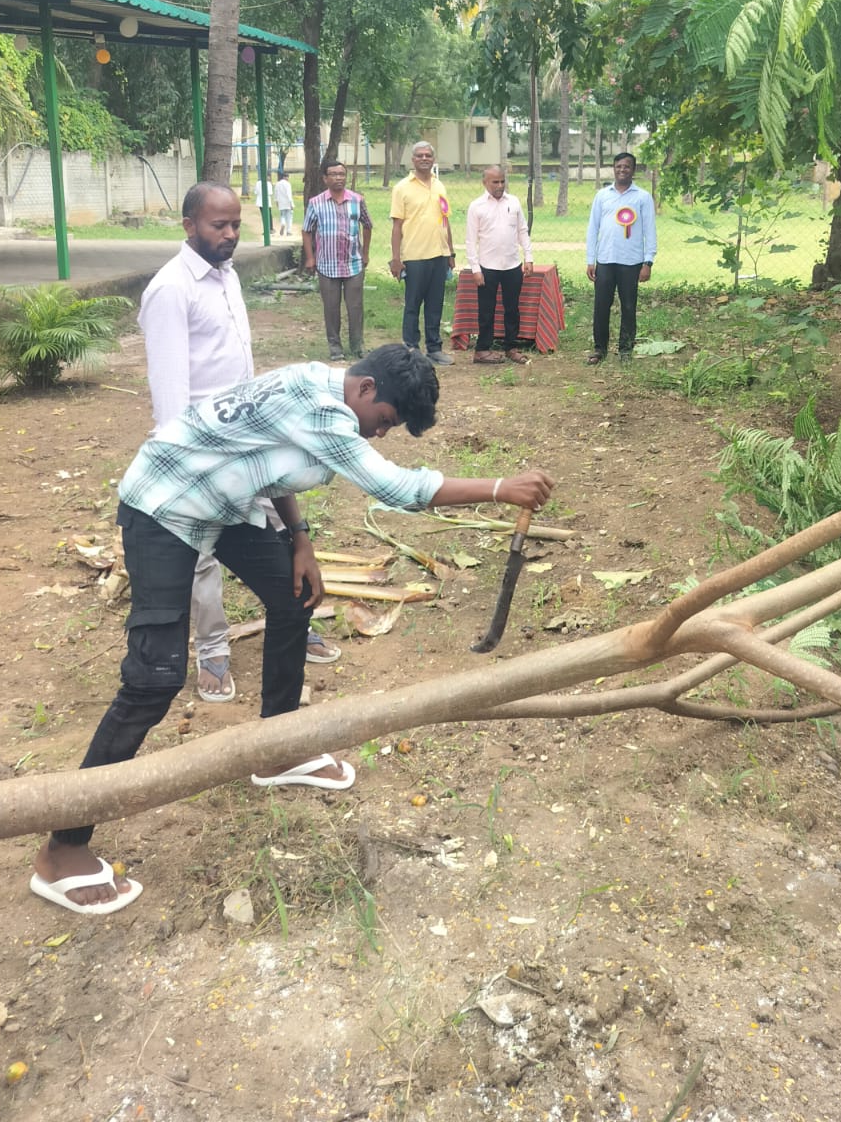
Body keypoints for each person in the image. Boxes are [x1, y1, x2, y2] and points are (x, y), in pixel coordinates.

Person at [28, 344, 555, 915]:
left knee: (294, 594)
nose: (379, 436)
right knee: (155, 677)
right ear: (367, 390)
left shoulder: (315, 381)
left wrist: (298, 540)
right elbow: (398, 489)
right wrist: (502, 487)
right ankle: (62, 849)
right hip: (166, 503)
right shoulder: (326, 411)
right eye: (383, 424)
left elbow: (273, 459)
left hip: (221, 501)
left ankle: (276, 750)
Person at [140, 183, 339, 703]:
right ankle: (212, 650)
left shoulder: (226, 277)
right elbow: (171, 406)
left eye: (235, 225)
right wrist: (195, 474)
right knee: (201, 554)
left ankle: (292, 625)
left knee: (281, 536)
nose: (230, 236)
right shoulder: (171, 291)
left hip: (246, 443)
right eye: (217, 226)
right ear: (189, 226)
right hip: (200, 460)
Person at [585, 152, 657, 364]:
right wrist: (591, 259)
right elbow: (593, 228)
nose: (622, 170)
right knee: (601, 306)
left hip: (631, 261)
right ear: (613, 168)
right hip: (605, 260)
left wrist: (648, 261)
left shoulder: (642, 197)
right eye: (618, 166)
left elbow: (649, 231)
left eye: (627, 167)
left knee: (628, 306)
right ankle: (600, 349)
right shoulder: (602, 195)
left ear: (633, 170)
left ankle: (625, 350)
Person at [389, 141, 454, 365]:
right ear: (413, 160)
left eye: (428, 155)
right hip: (414, 257)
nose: (424, 158)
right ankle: (411, 348)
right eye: (420, 155)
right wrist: (396, 259)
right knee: (413, 304)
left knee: (435, 304)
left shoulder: (439, 186)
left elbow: (445, 219)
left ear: (433, 159)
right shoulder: (402, 188)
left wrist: (451, 253)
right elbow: (397, 226)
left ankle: (434, 348)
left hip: (439, 255)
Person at [302, 161, 372, 362]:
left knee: (355, 307)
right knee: (331, 308)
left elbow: (367, 226)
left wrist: (365, 253)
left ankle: (357, 346)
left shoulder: (357, 200)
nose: (338, 178)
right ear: (325, 178)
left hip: (354, 264)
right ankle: (335, 347)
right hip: (327, 265)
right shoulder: (316, 203)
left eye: (342, 174)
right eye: (333, 174)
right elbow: (307, 231)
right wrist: (310, 257)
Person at [465, 165, 534, 365]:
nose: (500, 185)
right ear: (485, 182)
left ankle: (511, 347)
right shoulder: (476, 206)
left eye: (503, 181)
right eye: (495, 182)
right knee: (487, 310)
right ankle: (482, 350)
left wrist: (528, 257)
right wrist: (476, 269)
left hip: (512, 265)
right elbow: (470, 241)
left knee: (512, 309)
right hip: (487, 266)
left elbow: (522, 231)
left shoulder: (513, 202)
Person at [274, 172, 295, 237]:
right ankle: (288, 231)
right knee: (289, 217)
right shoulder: (288, 184)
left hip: (281, 202)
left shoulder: (277, 184)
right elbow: (289, 194)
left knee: (282, 215)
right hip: (287, 203)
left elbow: (276, 193)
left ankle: (283, 223)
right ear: (287, 177)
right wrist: (291, 203)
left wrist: (276, 201)